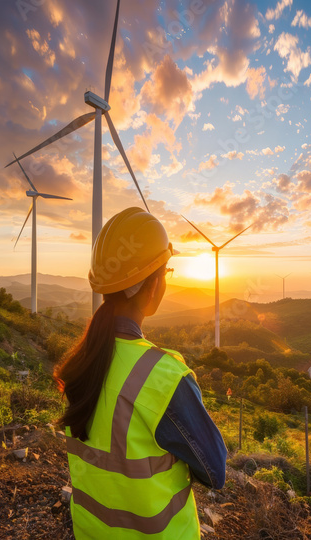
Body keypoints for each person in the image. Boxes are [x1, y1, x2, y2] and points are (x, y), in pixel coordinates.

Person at [54, 207, 227, 539]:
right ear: (154, 285)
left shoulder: (82, 364)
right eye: (166, 272)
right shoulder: (164, 377)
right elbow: (214, 470)